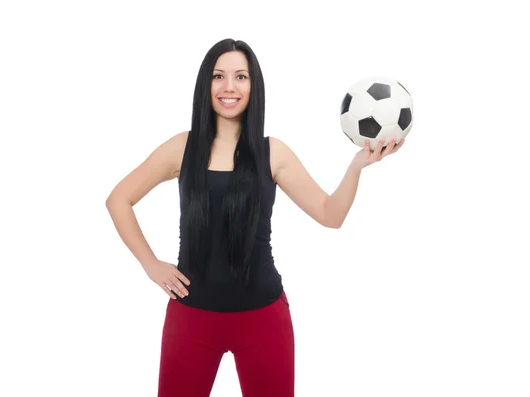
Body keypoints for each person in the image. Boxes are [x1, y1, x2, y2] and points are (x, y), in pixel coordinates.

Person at [105, 38, 404, 397]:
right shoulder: (181, 148)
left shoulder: (272, 152)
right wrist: (150, 264)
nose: (229, 86)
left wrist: (357, 167)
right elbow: (119, 199)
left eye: (240, 77)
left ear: (254, 86)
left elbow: (330, 214)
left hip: (262, 318)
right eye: (219, 76)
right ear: (206, 84)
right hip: (191, 318)